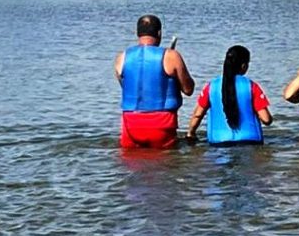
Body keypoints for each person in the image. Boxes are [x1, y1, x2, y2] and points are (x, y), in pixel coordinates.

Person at [114, 14, 195, 148]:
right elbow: (188, 89)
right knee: (163, 165)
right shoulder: (171, 56)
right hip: (161, 124)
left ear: (137, 33)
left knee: (131, 165)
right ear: (159, 33)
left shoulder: (121, 57)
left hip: (130, 124)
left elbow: (126, 87)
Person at [186, 45, 272, 145]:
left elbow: (198, 114)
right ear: (244, 66)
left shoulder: (211, 87)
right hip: (250, 142)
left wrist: (191, 133)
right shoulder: (251, 86)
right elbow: (266, 119)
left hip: (219, 143)